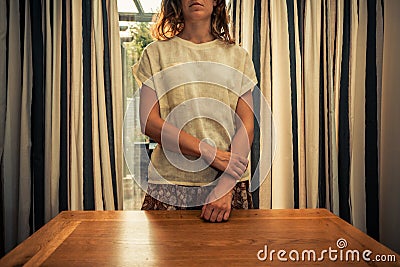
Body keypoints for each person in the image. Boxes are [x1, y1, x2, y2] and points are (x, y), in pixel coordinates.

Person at [132, 0, 257, 223]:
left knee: (231, 257)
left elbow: (246, 126)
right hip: (169, 183)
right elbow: (149, 123)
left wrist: (226, 184)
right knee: (166, 258)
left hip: (227, 186)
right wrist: (209, 153)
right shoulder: (155, 53)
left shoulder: (238, 56)